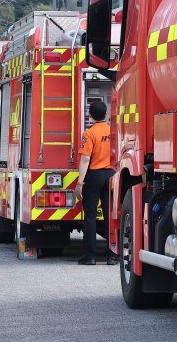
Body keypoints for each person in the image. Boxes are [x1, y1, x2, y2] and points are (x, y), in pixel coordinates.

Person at [76, 100, 116, 265]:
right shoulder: (113, 132)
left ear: (89, 115)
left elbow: (85, 159)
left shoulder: (89, 133)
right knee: (110, 216)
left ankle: (90, 256)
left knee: (90, 217)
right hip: (111, 175)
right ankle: (111, 255)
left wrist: (79, 183)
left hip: (94, 176)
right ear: (106, 114)